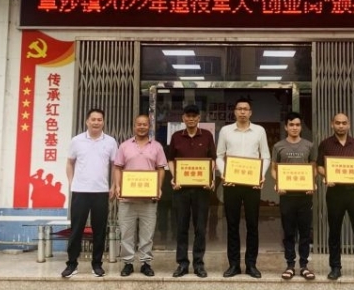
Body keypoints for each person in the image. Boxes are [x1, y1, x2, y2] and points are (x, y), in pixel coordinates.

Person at [216, 97, 270, 279]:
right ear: (235, 111)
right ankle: (233, 265)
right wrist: (224, 174)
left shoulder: (259, 131)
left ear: (250, 112)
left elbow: (266, 156)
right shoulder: (226, 131)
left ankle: (251, 264)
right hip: (231, 184)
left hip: (252, 184)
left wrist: (260, 174)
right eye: (239, 109)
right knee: (232, 224)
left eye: (245, 109)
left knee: (252, 224)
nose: (242, 112)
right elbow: (219, 156)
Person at [317, 113, 354, 282]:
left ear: (348, 125)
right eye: (338, 123)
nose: (341, 126)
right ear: (332, 124)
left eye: (344, 123)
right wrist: (327, 175)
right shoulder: (325, 144)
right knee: (334, 232)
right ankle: (335, 267)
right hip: (335, 193)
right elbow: (319, 166)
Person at [61, 108, 118, 278]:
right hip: (80, 191)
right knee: (76, 229)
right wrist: (72, 183)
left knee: (99, 230)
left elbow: (115, 166)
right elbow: (70, 163)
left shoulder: (110, 142)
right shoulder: (77, 141)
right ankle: (72, 264)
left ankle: (97, 264)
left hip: (101, 192)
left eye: (99, 119)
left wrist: (113, 185)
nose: (96, 122)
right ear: (87, 121)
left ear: (103, 122)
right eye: (93, 119)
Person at [113, 114, 167, 278]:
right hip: (127, 199)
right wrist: (118, 186)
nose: (142, 127)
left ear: (149, 126)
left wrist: (158, 188)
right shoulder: (124, 146)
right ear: (134, 126)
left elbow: (161, 169)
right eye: (139, 124)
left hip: (148, 199)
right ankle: (128, 263)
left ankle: (145, 263)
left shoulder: (157, 147)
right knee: (126, 232)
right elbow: (118, 167)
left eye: (145, 124)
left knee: (147, 234)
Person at [168, 104, 216, 278]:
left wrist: (210, 179)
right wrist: (175, 177)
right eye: (188, 116)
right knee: (181, 228)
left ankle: (198, 264)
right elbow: (170, 160)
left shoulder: (207, 135)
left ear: (199, 118)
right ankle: (182, 264)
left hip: (201, 190)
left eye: (194, 116)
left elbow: (212, 160)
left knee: (200, 228)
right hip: (181, 189)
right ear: (183, 118)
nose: (191, 119)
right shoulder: (176, 136)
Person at [271, 111, 317, 281]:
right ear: (286, 127)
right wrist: (279, 183)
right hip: (287, 195)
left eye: (297, 125)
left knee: (305, 232)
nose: (294, 128)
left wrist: (312, 183)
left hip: (305, 195)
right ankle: (290, 265)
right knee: (289, 232)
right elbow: (274, 169)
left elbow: (313, 168)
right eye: (291, 125)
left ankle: (304, 265)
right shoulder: (278, 146)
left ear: (301, 127)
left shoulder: (309, 146)